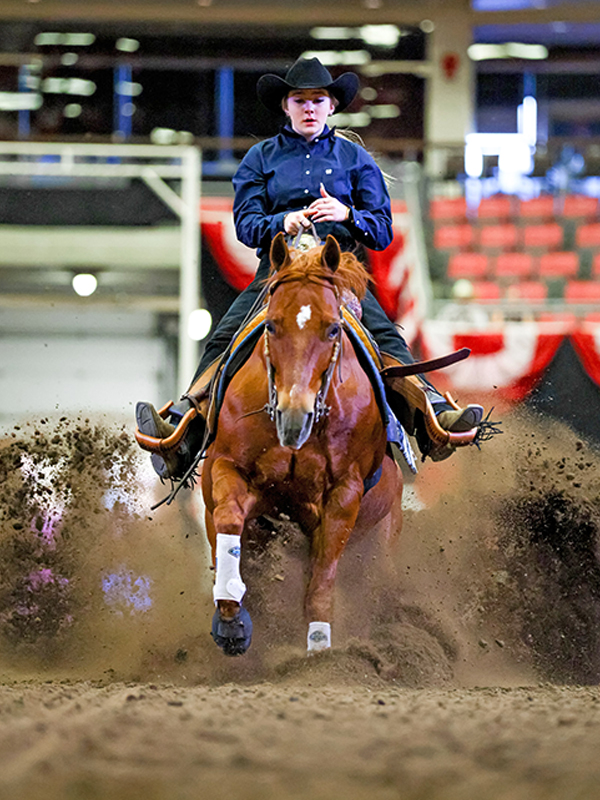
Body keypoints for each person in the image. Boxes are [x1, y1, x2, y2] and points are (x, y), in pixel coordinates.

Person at [135, 56, 483, 478]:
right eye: (300, 100)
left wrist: (346, 213)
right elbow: (245, 225)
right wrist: (281, 222)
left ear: (332, 106)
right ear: (286, 106)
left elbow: (382, 230)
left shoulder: (357, 160)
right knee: (224, 337)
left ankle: (434, 418)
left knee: (387, 337)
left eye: (318, 100)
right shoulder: (259, 159)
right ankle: (184, 431)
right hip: (277, 273)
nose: (309, 108)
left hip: (341, 276)